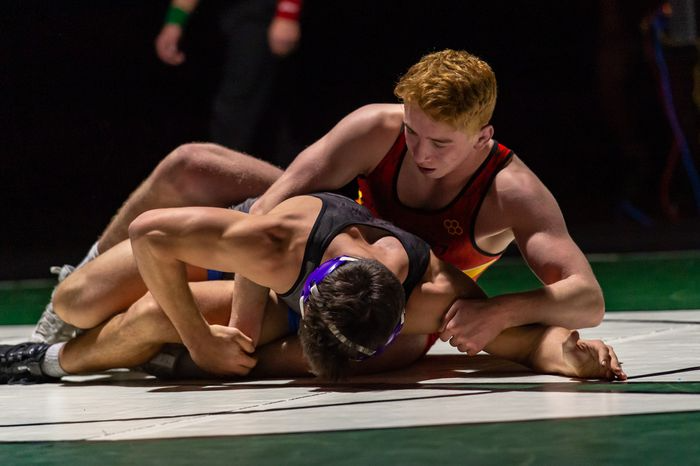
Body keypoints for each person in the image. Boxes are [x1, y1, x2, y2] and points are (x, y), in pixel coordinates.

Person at [33, 49, 605, 361]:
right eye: (412, 133)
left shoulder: (512, 191)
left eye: (441, 144)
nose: (420, 153)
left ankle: (127, 349)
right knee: (192, 166)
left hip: (387, 299)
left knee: (163, 314)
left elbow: (586, 297)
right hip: (323, 246)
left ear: (484, 137)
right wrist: (241, 320)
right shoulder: (375, 128)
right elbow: (273, 204)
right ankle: (81, 281)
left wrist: (501, 311)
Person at [2, 194, 626, 384]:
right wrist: (207, 336)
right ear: (308, 297)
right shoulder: (278, 247)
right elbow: (149, 235)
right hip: (246, 269)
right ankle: (175, 351)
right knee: (75, 303)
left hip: (289, 315)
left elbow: (518, 343)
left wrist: (570, 355)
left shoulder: (435, 294)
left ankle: (47, 362)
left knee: (156, 322)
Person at [156, 0, 303, 164]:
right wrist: (174, 22)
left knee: (244, 111)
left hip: (263, 16)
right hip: (223, 19)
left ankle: (226, 178)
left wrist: (288, 12)